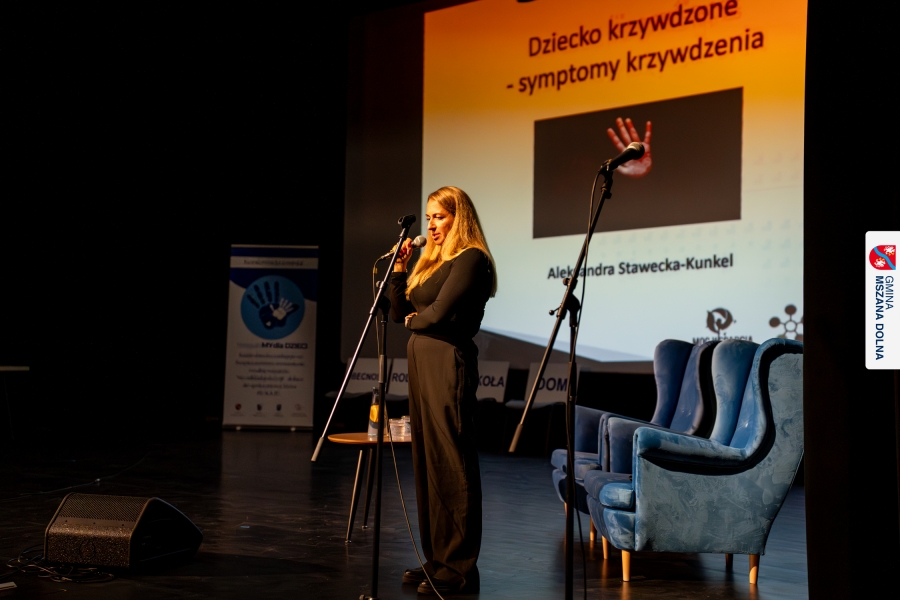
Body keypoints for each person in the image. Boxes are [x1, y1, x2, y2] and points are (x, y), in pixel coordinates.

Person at [389, 185, 497, 596]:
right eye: (430, 216)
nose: (432, 224)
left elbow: (437, 314)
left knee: (452, 462)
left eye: (440, 216)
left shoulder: (472, 259)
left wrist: (415, 321)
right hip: (422, 363)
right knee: (427, 462)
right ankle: (437, 558)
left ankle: (459, 568)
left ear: (459, 217)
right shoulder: (432, 262)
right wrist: (400, 269)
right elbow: (399, 311)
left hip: (448, 363)